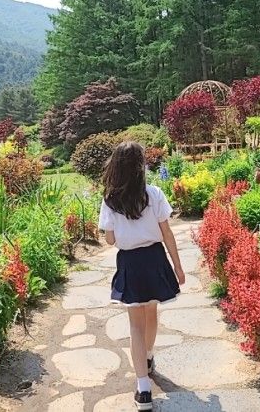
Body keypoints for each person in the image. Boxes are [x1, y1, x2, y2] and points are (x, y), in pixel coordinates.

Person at [99, 141, 185, 411]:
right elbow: (168, 233)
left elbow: (110, 240)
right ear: (140, 166)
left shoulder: (110, 200)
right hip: (155, 258)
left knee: (135, 324)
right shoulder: (154, 193)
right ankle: (148, 357)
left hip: (130, 263)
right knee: (152, 312)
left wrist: (121, 230)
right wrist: (178, 267)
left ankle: (143, 389)